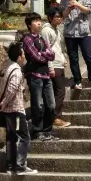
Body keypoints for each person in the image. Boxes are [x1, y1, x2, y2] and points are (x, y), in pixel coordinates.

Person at [0, 42, 37, 175]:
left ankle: (10, 166)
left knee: (11, 138)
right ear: (20, 57)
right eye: (23, 53)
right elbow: (12, 89)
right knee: (24, 137)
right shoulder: (17, 71)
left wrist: (3, 103)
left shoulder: (9, 69)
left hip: (8, 112)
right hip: (15, 111)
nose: (24, 56)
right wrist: (5, 102)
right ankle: (20, 166)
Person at [22, 12, 58, 141]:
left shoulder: (41, 38)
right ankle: (37, 131)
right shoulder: (27, 38)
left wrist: (43, 54)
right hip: (34, 75)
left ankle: (48, 130)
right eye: (35, 21)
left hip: (46, 75)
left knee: (51, 105)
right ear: (29, 25)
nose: (39, 23)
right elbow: (36, 57)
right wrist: (44, 55)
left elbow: (52, 55)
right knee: (37, 105)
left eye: (39, 20)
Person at [59, 0, 91, 90]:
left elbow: (88, 11)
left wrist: (77, 5)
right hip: (70, 33)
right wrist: (68, 8)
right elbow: (62, 15)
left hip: (83, 33)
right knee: (73, 59)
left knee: (89, 56)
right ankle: (77, 81)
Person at [42, 6, 71, 128]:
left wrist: (63, 59)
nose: (59, 19)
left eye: (60, 16)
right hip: (53, 64)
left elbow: (58, 48)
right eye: (56, 17)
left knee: (58, 91)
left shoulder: (56, 30)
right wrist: (50, 67)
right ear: (50, 18)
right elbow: (46, 49)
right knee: (60, 91)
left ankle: (54, 117)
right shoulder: (46, 30)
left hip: (58, 63)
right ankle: (55, 117)